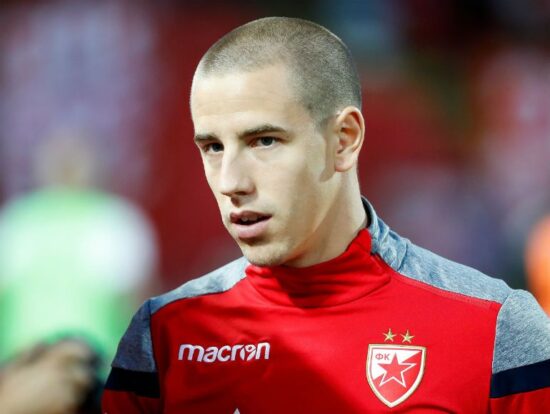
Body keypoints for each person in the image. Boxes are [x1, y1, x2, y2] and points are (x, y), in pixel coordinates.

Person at [102, 17, 550, 412]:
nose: (231, 181)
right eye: (213, 147)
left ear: (344, 139)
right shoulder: (162, 336)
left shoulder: (497, 327)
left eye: (264, 141)